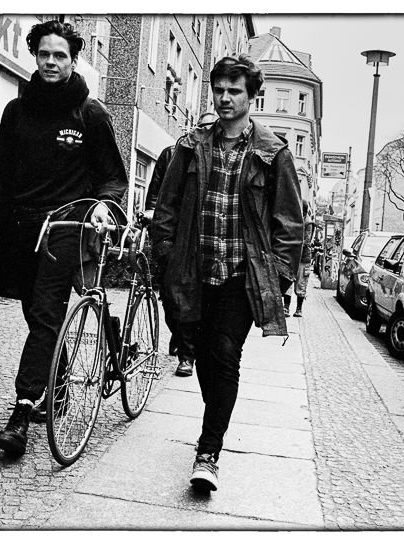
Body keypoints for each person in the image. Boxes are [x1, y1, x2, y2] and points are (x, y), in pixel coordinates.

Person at [0, 20, 128, 458]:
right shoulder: (17, 111)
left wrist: (103, 205)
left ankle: (21, 412)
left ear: (73, 60)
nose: (51, 62)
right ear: (34, 56)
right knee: (36, 313)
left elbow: (112, 176)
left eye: (60, 55)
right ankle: (55, 388)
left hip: (66, 228)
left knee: (44, 313)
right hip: (21, 229)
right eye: (44, 54)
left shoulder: (91, 114)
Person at [152, 55, 304, 492]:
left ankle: (208, 452)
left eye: (234, 90)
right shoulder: (190, 146)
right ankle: (215, 417)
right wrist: (165, 255)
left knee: (224, 354)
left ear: (252, 96)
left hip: (242, 276)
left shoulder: (273, 153)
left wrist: (276, 278)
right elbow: (167, 206)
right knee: (202, 354)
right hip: (192, 271)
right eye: (219, 89)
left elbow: (290, 223)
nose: (224, 98)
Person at [143, 112, 217, 377]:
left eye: (212, 127)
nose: (207, 132)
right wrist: (159, 235)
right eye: (203, 127)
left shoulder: (217, 157)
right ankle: (178, 334)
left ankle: (187, 355)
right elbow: (156, 194)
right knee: (169, 298)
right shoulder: (171, 153)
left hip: (200, 238)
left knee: (192, 299)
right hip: (174, 237)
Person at [283, 200, 315, 317]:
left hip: (302, 258)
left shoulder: (308, 223)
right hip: (292, 256)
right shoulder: (293, 219)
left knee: (301, 284)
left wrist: (292, 244)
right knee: (288, 282)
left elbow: (306, 241)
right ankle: (286, 308)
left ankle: (299, 309)